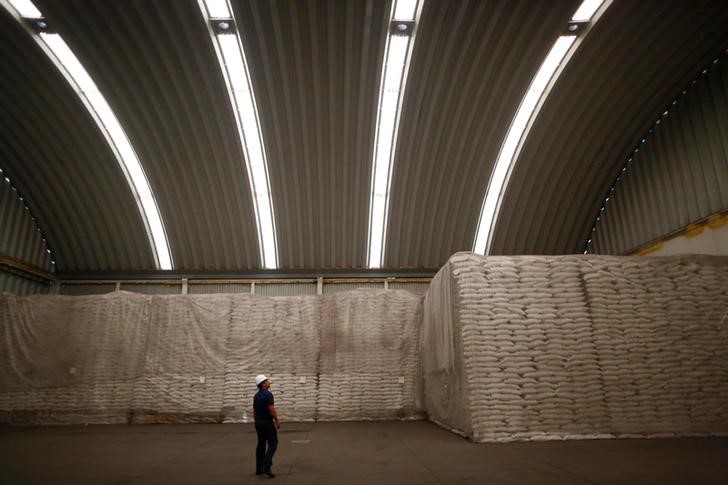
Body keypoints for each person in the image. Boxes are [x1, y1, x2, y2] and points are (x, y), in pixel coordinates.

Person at [253, 374, 280, 478]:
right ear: (263, 384)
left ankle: (258, 469)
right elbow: (271, 409)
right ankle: (266, 465)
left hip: (258, 422)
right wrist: (276, 420)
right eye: (267, 381)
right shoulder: (268, 395)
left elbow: (254, 411)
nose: (269, 382)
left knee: (261, 445)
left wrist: (257, 421)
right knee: (273, 443)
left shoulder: (256, 396)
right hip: (267, 423)